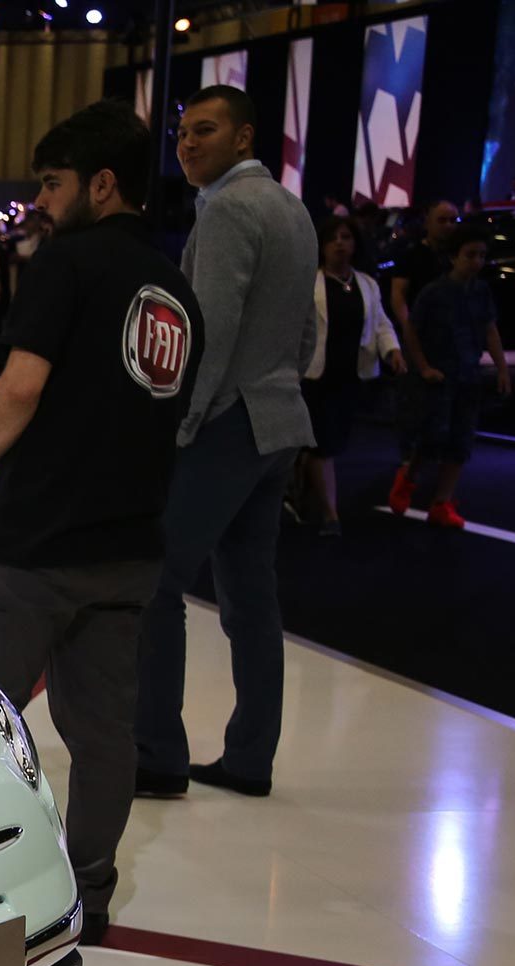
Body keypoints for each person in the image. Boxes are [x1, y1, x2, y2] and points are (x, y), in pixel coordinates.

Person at [0, 101, 198, 946]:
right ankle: (87, 887)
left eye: (53, 184)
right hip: (128, 545)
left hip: (34, 540)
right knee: (103, 736)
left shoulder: (68, 264)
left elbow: (21, 384)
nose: (43, 202)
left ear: (102, 184)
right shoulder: (174, 287)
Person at [134, 84, 318, 802]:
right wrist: (278, 385)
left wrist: (180, 427)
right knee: (250, 595)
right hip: (279, 418)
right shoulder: (292, 209)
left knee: (156, 580)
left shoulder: (229, 210)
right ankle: (249, 758)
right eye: (182, 132)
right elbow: (307, 333)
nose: (187, 143)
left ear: (244, 137)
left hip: (227, 420)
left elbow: (204, 334)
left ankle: (156, 754)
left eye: (204, 130)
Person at [297, 215, 403, 537]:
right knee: (323, 445)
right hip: (314, 376)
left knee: (325, 443)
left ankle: (299, 492)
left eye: (346, 237)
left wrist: (392, 351)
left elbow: (381, 323)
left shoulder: (367, 284)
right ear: (322, 246)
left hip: (350, 375)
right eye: (333, 239)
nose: (340, 244)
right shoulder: (308, 282)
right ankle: (331, 515)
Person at [400, 225, 511, 528]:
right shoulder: (434, 292)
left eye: (482, 256)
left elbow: (490, 330)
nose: (476, 262)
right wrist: (423, 367)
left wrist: (501, 368)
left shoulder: (481, 291)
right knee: (432, 437)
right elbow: (412, 331)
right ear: (453, 257)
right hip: (440, 375)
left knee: (461, 440)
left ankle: (442, 502)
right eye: (470, 255)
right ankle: (408, 477)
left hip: (468, 374)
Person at [384, 198, 458, 511]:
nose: (448, 226)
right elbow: (398, 295)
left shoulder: (456, 257)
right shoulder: (412, 254)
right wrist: (408, 328)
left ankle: (429, 459)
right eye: (442, 220)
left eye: (453, 220)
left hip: (449, 342)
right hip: (418, 337)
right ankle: (408, 458)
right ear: (428, 220)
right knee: (413, 400)